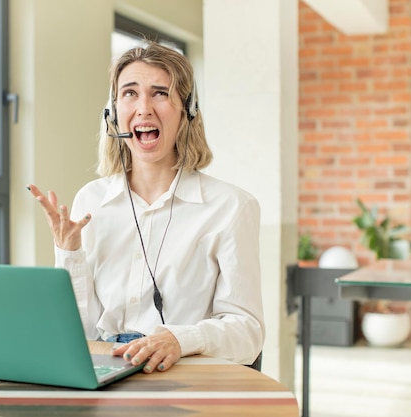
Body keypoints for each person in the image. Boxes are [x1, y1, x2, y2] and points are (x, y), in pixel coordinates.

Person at [27, 41, 264, 374]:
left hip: (186, 379)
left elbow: (248, 334)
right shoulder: (91, 201)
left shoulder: (231, 207)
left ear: (188, 110)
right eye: (130, 93)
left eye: (160, 93)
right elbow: (81, 335)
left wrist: (181, 339)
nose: (144, 108)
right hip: (106, 375)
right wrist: (70, 256)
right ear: (112, 114)